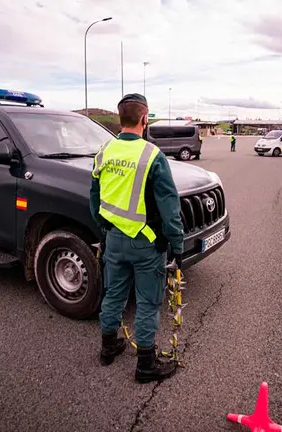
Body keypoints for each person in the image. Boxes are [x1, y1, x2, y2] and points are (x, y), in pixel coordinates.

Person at [91, 93, 184, 384]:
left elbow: (94, 199)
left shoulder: (105, 151)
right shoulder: (152, 155)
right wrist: (177, 245)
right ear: (145, 119)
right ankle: (145, 364)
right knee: (147, 302)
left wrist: (104, 231)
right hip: (145, 244)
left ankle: (108, 347)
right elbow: (170, 207)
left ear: (121, 119)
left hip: (113, 240)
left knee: (114, 294)